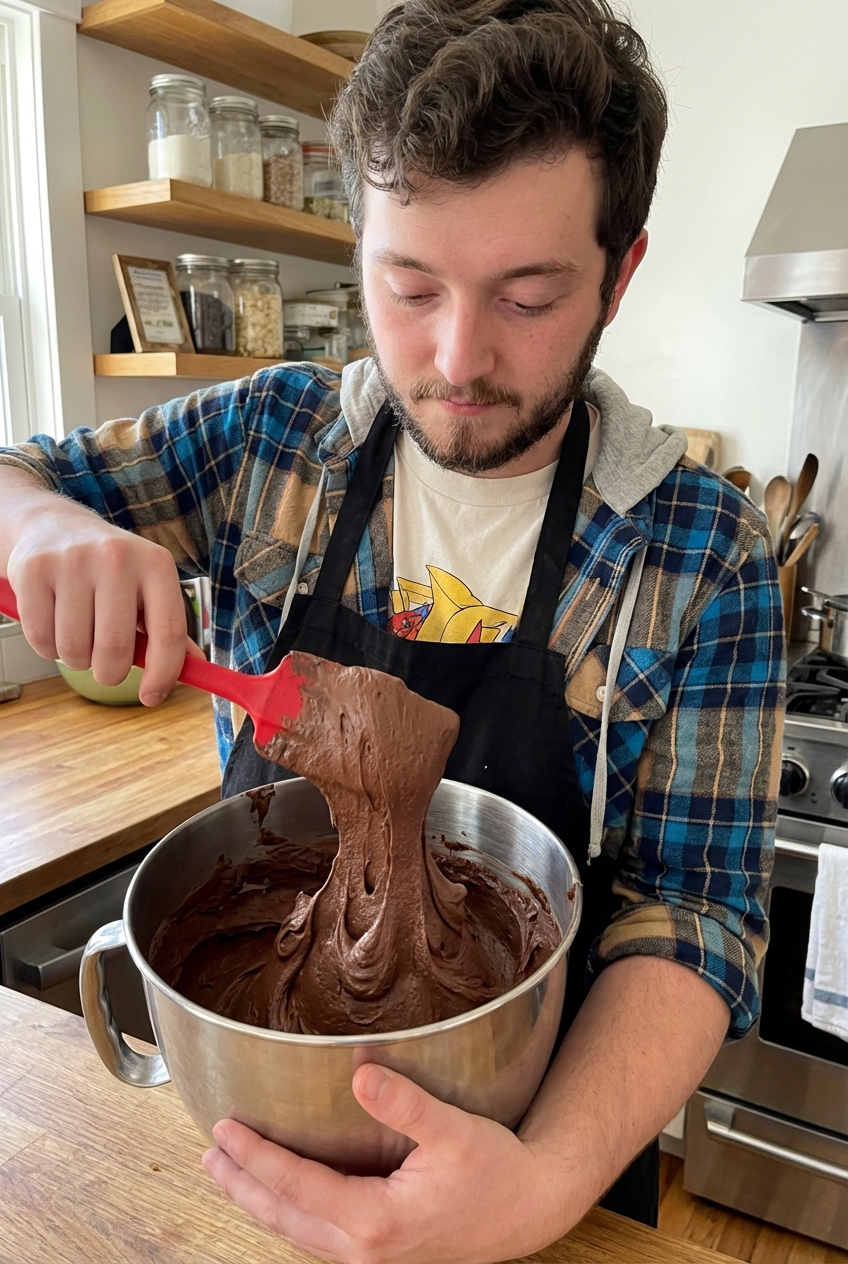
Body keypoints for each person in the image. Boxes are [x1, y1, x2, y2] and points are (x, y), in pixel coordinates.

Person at [0, 1, 784, 1259]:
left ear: (619, 274)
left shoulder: (701, 555)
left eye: (527, 296)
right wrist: (38, 532)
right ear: (356, 243)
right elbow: (11, 476)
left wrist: (538, 1186)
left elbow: (694, 915)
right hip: (256, 1145)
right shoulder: (266, 442)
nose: (456, 358)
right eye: (407, 287)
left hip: (545, 1166)